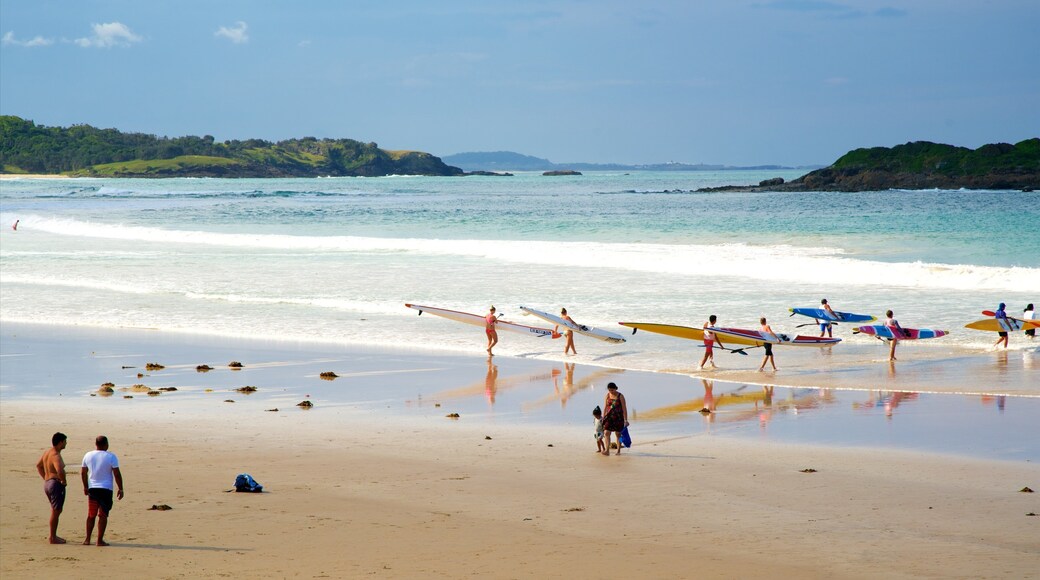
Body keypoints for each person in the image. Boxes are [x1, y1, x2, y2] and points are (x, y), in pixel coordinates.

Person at [81, 435, 124, 547]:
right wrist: (120, 488)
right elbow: (117, 474)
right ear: (106, 444)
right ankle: (99, 540)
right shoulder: (111, 456)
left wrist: (85, 486)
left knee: (91, 514)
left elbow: (83, 472)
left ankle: (87, 539)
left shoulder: (88, 455)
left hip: (93, 489)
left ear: (96, 444)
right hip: (106, 489)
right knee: (103, 515)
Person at [36, 432, 68, 544]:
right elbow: (59, 470)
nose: (66, 443)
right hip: (55, 484)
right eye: (65, 441)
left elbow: (38, 465)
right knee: (56, 511)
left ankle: (53, 536)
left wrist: (46, 477)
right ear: (60, 443)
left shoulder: (47, 452)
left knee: (55, 510)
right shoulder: (55, 455)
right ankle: (53, 537)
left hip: (48, 484)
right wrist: (63, 481)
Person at [600, 382, 628, 455]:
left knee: (618, 434)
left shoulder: (620, 396)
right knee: (606, 432)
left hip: (618, 418)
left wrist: (625, 420)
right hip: (609, 417)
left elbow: (624, 408)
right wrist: (603, 417)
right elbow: (605, 407)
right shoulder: (607, 395)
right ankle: (607, 450)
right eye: (609, 390)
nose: (611, 391)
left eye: (612, 390)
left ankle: (618, 451)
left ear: (615, 388)